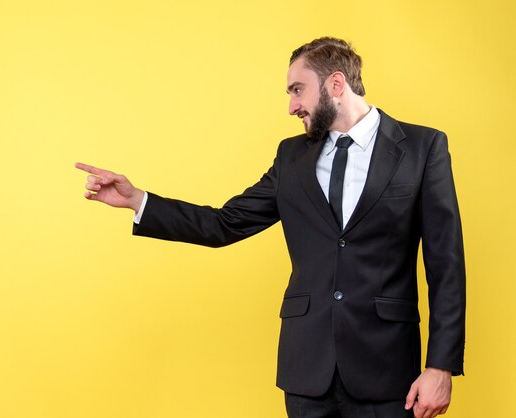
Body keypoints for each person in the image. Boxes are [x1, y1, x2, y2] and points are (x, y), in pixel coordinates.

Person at [75, 37, 465, 418]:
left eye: (298, 90)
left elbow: (445, 265)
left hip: (388, 371)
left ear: (335, 84)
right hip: (307, 373)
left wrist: (440, 367)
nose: (292, 106)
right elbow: (224, 224)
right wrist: (138, 200)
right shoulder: (291, 157)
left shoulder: (421, 147)